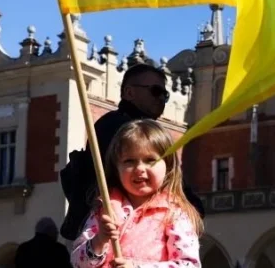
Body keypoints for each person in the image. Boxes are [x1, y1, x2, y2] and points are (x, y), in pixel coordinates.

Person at [71, 119, 204, 268]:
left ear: (168, 165)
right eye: (129, 161)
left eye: (150, 160)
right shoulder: (103, 210)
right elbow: (79, 265)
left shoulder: (173, 214)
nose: (139, 168)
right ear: (116, 167)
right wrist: (99, 241)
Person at [60, 63, 205, 242]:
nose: (161, 98)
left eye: (165, 94)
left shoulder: (139, 128)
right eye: (155, 91)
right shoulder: (121, 128)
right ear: (129, 92)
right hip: (119, 228)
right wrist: (190, 206)